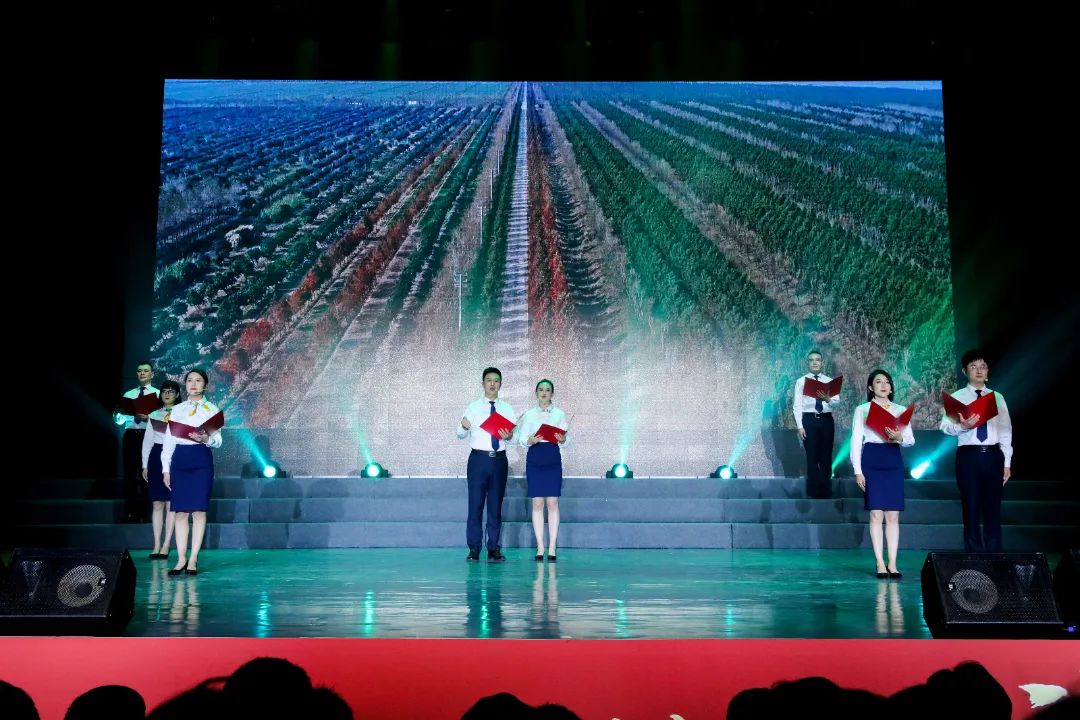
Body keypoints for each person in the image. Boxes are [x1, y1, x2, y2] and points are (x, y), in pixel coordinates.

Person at [939, 349, 1013, 552]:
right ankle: (973, 555)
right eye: (973, 367)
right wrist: (961, 427)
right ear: (965, 371)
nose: (979, 370)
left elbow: (1006, 431)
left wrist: (1007, 462)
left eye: (983, 367)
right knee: (970, 506)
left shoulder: (997, 397)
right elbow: (944, 427)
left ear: (987, 371)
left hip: (993, 455)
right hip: (968, 456)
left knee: (993, 507)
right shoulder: (957, 397)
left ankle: (994, 555)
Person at [850, 369, 914, 579]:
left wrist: (899, 437)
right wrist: (858, 471)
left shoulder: (900, 410)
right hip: (872, 458)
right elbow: (856, 440)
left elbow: (910, 440)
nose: (884, 385)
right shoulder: (863, 410)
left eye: (887, 382)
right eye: (878, 382)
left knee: (893, 515)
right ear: (871, 387)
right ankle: (879, 562)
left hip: (892, 458)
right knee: (876, 514)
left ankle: (892, 563)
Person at [162, 369, 222, 576]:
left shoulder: (211, 409)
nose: (193, 384)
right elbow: (168, 442)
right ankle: (180, 559)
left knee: (198, 511)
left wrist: (207, 439)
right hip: (180, 461)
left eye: (198, 380)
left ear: (205, 385)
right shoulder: (177, 409)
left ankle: (193, 558)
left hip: (201, 460)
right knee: (180, 512)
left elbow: (218, 440)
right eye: (189, 380)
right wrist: (166, 469)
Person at [457, 367, 515, 562]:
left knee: (495, 506)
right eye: (489, 380)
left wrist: (510, 436)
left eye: (496, 380)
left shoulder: (507, 408)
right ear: (483, 383)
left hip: (499, 460)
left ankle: (493, 548)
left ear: (500, 384)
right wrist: (463, 426)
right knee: (475, 504)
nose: (492, 383)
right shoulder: (473, 407)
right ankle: (474, 548)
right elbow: (460, 434)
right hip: (478, 460)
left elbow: (514, 438)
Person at [517, 379, 568, 561]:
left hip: (552, 457)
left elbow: (566, 440)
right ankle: (540, 547)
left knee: (552, 503)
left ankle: (552, 547)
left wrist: (562, 439)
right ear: (536, 393)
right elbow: (521, 439)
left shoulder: (559, 414)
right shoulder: (529, 414)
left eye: (547, 390)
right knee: (537, 503)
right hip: (535, 458)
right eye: (541, 390)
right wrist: (529, 440)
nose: (544, 393)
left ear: (552, 393)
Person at [141, 380, 181, 560]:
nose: (167, 394)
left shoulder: (181, 413)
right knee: (157, 503)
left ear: (177, 395)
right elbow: (147, 441)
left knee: (171, 503)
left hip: (175, 456)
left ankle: (166, 544)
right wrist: (145, 465)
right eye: (165, 391)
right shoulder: (154, 414)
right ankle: (156, 543)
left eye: (171, 391)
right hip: (156, 456)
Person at [793, 350, 841, 498]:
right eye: (811, 360)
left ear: (822, 362)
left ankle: (825, 490)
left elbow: (836, 403)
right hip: (809, 420)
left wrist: (827, 399)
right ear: (808, 363)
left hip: (826, 420)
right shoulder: (801, 381)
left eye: (817, 360)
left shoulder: (829, 381)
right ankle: (813, 491)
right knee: (812, 455)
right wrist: (800, 426)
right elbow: (797, 405)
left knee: (826, 455)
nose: (815, 362)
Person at [116, 360, 159, 522]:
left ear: (152, 374)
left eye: (146, 371)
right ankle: (130, 513)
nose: (142, 373)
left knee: (146, 474)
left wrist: (148, 418)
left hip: (148, 435)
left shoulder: (157, 394)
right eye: (140, 370)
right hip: (130, 435)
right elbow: (119, 420)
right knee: (129, 475)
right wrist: (119, 415)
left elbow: (163, 419)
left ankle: (145, 513)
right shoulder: (128, 394)